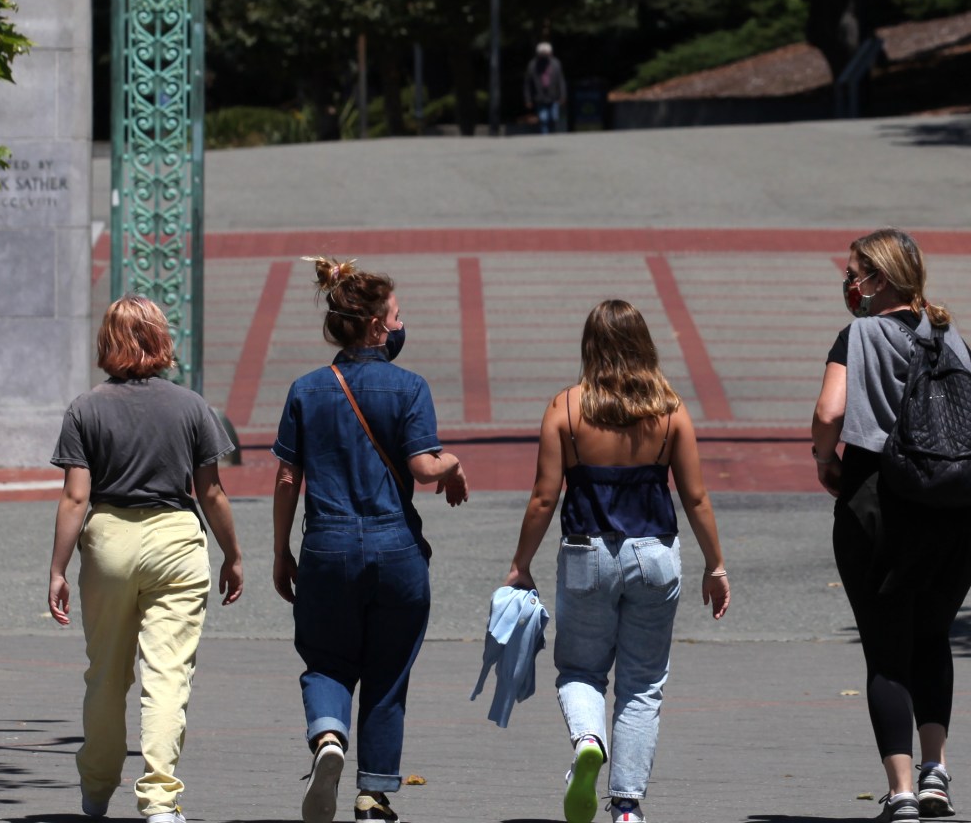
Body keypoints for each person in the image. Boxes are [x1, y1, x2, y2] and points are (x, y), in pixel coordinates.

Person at [811, 229, 971, 822]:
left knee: (886, 652)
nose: (849, 283)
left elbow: (830, 412)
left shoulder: (857, 336)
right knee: (932, 639)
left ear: (879, 278)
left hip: (877, 505)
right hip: (954, 511)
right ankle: (937, 775)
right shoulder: (950, 335)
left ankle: (901, 792)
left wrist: (825, 458)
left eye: (855, 272)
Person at [506, 300, 731, 823]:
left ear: (591, 346)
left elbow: (543, 497)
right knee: (642, 682)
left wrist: (521, 563)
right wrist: (715, 565)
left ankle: (589, 739)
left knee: (581, 669)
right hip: (655, 555)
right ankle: (626, 807)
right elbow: (696, 498)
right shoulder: (670, 409)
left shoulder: (565, 408)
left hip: (587, 554)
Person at [272, 258, 473, 823]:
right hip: (396, 550)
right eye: (398, 315)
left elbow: (288, 478)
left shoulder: (306, 390)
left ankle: (329, 738)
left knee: (326, 659)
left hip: (327, 547)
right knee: (388, 672)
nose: (402, 324)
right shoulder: (409, 387)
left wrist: (280, 550)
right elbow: (423, 467)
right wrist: (453, 463)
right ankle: (373, 794)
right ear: (379, 327)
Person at [47, 295, 244, 823]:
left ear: (107, 343)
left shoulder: (85, 408)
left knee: (106, 674)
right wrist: (233, 554)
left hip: (109, 540)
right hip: (176, 540)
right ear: (160, 340)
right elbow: (212, 493)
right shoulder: (191, 406)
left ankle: (95, 788)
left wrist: (58, 569)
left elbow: (74, 498)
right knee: (167, 675)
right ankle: (159, 801)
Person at [526, 42, 568, 134]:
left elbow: (560, 81)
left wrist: (563, 95)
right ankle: (545, 137)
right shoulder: (533, 65)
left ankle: (553, 134)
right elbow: (528, 84)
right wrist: (528, 99)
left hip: (554, 96)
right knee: (543, 119)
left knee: (553, 118)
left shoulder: (556, 63)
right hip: (540, 97)